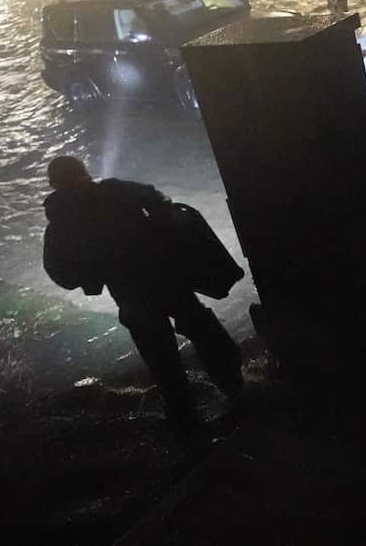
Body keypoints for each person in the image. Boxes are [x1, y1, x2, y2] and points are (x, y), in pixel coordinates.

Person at [42, 156, 243, 427]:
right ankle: (235, 388)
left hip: (128, 292)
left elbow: (59, 271)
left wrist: (89, 276)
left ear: (54, 184)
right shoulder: (111, 190)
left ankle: (187, 420)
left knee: (162, 359)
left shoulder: (59, 222)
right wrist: (165, 231)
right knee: (201, 328)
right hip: (162, 275)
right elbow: (154, 198)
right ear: (83, 173)